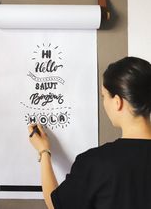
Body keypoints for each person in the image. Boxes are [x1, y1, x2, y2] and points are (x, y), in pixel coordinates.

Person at [28, 56, 151, 209]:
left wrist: (44, 151)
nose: (104, 102)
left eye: (104, 96)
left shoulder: (96, 163)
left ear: (117, 102)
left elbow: (56, 205)